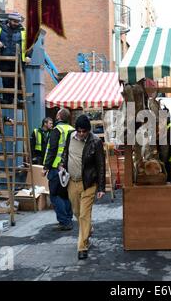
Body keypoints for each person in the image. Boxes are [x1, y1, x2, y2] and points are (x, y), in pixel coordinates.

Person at [60, 115, 106, 260]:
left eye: (84, 131)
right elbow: (65, 154)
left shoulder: (95, 142)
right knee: (76, 212)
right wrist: (61, 164)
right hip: (71, 182)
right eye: (79, 131)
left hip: (88, 184)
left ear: (88, 130)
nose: (81, 134)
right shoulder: (69, 136)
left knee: (84, 215)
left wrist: (101, 188)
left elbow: (101, 166)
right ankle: (88, 229)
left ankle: (82, 246)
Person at [43, 109, 75, 231]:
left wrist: (46, 166)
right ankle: (68, 218)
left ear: (59, 116)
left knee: (55, 195)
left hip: (56, 168)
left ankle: (65, 221)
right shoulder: (72, 129)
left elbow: (52, 149)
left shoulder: (57, 130)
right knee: (65, 194)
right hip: (69, 167)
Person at [0, 12, 31, 104]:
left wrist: (28, 56)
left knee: (18, 80)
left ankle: (19, 98)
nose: (16, 23)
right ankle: (7, 99)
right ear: (9, 20)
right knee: (6, 79)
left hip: (18, 60)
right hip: (4, 59)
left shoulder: (23, 31)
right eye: (14, 21)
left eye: (18, 22)